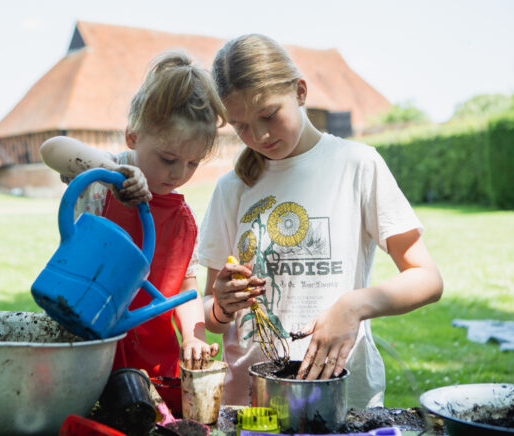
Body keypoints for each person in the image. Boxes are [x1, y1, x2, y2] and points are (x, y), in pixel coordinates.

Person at [198, 34, 443, 409]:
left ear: (299, 92)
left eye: (268, 115)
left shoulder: (358, 165)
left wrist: (355, 305)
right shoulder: (231, 188)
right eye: (241, 126)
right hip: (252, 402)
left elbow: (427, 278)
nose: (259, 136)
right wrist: (222, 305)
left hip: (342, 396)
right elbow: (212, 316)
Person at [39, 51, 226, 414]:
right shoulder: (100, 184)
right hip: (85, 350)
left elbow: (186, 286)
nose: (178, 174)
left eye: (192, 163)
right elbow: (52, 149)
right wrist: (114, 172)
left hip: (152, 364)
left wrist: (192, 335)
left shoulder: (183, 219)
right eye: (168, 159)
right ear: (132, 136)